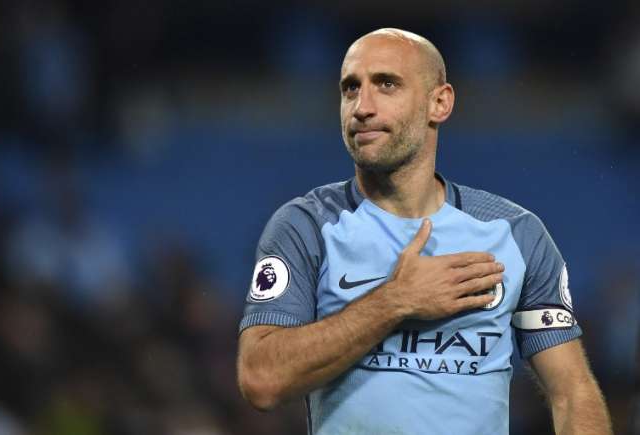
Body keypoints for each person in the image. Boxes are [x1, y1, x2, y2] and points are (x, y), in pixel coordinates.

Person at [236, 28, 612, 434]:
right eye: (350, 88)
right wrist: (396, 301)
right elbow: (261, 380)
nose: (362, 106)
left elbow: (572, 391)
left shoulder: (515, 234)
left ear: (440, 102)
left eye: (386, 85)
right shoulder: (307, 226)